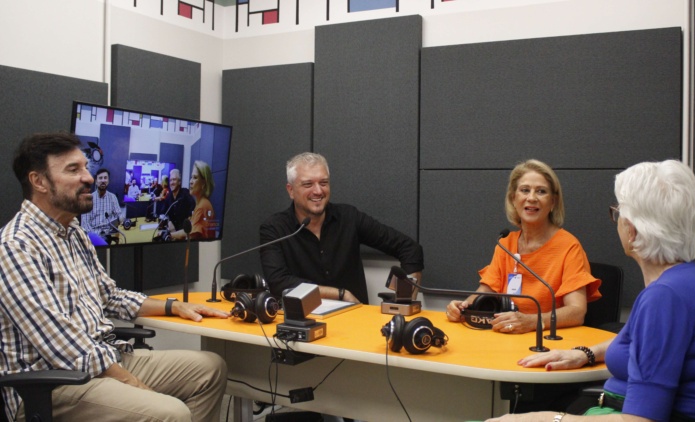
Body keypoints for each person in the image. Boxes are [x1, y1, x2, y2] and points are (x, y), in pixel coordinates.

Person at [1, 132, 230, 421]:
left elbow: (109, 296)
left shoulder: (74, 232)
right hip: (53, 384)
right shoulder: (15, 246)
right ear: (39, 181)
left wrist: (174, 306)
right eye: (73, 169)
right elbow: (61, 343)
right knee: (170, 413)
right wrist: (134, 384)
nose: (88, 177)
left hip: (103, 359)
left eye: (85, 167)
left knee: (210, 369)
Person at [488, 160, 695, 422]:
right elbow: (639, 342)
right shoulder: (680, 281)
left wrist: (549, 419)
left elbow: (640, 420)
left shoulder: (665, 298)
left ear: (633, 230)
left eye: (618, 213)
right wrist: (585, 353)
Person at [446, 159, 601, 334]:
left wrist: (532, 322)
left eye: (541, 191)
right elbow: (487, 289)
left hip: (547, 340)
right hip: (505, 335)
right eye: (525, 190)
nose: (532, 198)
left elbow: (576, 312)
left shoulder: (569, 246)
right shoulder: (505, 244)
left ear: (553, 202)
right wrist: (462, 307)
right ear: (513, 198)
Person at [259, 152, 424, 304]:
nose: (318, 191)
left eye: (323, 183)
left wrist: (405, 299)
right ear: (291, 190)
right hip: (304, 320)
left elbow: (410, 248)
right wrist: (340, 294)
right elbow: (279, 283)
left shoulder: (349, 217)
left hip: (353, 319)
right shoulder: (274, 229)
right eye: (308, 184)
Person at [170, 161, 215, 240]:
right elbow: (187, 231)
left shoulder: (202, 206)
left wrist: (170, 235)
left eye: (195, 178)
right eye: (191, 177)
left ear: (203, 183)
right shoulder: (200, 203)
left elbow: (189, 237)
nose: (190, 181)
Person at [80, 168, 122, 238]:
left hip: (110, 234)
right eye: (100, 178)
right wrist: (96, 237)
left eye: (105, 178)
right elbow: (85, 225)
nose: (103, 180)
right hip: (94, 237)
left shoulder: (113, 197)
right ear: (96, 181)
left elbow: (119, 216)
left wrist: (120, 221)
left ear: (108, 181)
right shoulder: (88, 199)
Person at [162, 168, 195, 232]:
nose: (172, 182)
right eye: (170, 180)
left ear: (179, 182)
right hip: (171, 231)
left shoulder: (186, 193)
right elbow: (163, 212)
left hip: (184, 231)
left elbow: (193, 208)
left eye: (174, 179)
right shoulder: (169, 196)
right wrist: (169, 222)